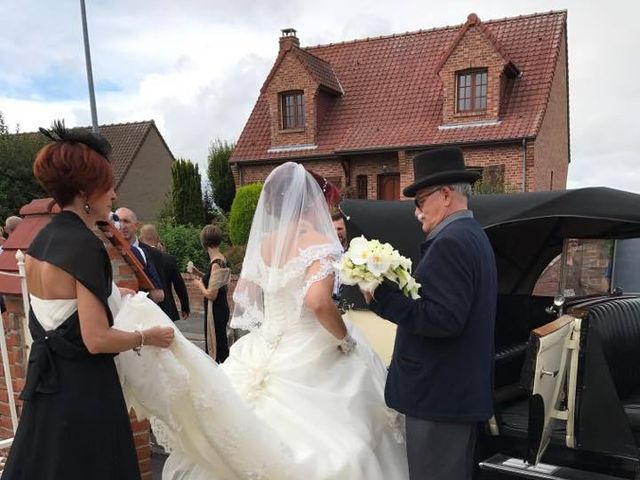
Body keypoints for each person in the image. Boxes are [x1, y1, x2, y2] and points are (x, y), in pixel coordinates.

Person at [114, 162, 409, 479]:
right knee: (345, 439)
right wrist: (345, 339)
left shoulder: (267, 244)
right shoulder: (319, 244)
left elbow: (246, 291)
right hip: (312, 344)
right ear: (311, 202)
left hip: (267, 340)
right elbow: (318, 302)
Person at [2, 120, 175, 480]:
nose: (113, 196)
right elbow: (96, 340)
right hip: (86, 393)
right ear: (86, 193)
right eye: (108, 187)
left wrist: (114, 293)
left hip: (48, 390)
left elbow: (58, 310)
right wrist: (147, 337)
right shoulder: (86, 247)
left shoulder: (38, 244)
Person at [362, 147, 497, 480]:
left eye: (420, 201)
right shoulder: (472, 235)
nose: (417, 212)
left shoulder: (452, 242)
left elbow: (442, 319)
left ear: (446, 195)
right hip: (451, 396)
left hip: (439, 398)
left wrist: (380, 296)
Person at [194, 224, 230, 362]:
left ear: (204, 242)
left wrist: (199, 284)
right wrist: (201, 274)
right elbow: (216, 282)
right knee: (221, 344)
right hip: (221, 308)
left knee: (218, 349)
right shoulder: (222, 259)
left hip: (216, 311)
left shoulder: (215, 263)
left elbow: (211, 294)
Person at [140, 223, 190, 321]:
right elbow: (179, 285)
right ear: (158, 238)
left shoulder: (138, 258)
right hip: (167, 308)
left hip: (145, 308)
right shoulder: (169, 259)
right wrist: (185, 307)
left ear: (141, 239)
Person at [115, 207, 165, 304]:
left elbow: (160, 292)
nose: (122, 226)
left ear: (136, 225)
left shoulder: (153, 253)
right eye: (118, 221)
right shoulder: (109, 253)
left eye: (126, 221)